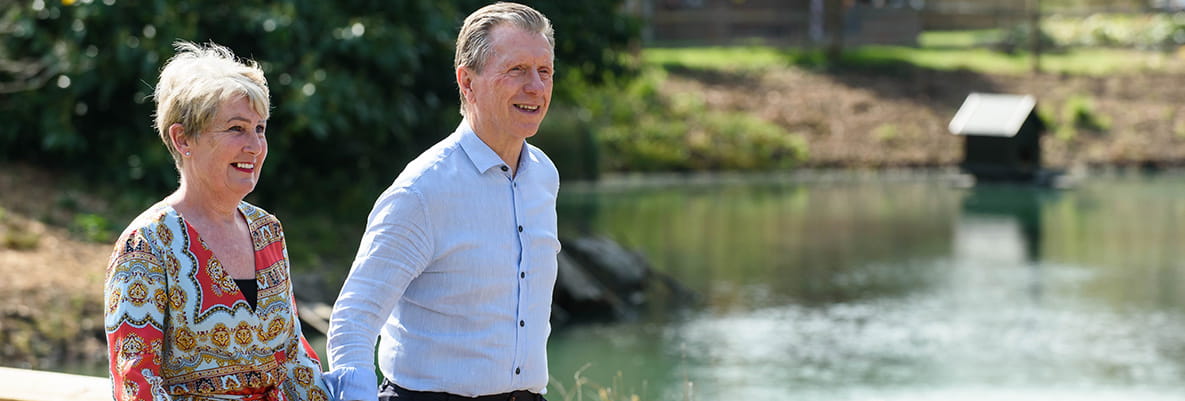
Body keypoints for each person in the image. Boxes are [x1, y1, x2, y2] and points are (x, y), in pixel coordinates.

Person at [323, 2, 560, 401]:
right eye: (517, 70)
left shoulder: (544, 176)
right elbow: (352, 321)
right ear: (467, 82)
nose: (536, 87)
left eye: (545, 71)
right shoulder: (422, 190)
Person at [103, 40, 331, 401]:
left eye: (260, 128)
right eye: (237, 128)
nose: (255, 146)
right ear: (183, 139)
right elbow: (137, 386)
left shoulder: (267, 230)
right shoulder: (146, 244)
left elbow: (294, 359)